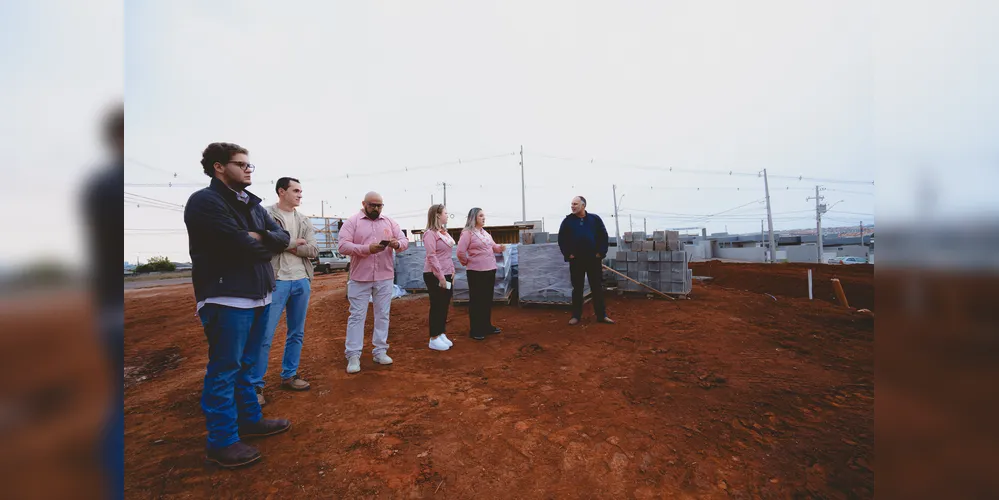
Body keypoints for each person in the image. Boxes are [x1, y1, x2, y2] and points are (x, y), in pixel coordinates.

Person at [184, 142, 292, 468]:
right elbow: (239, 245)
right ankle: (222, 441)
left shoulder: (253, 206)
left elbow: (282, 238)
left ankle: (250, 421)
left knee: (247, 366)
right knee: (225, 369)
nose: (248, 169)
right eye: (241, 164)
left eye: (249, 164)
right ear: (219, 166)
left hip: (258, 294)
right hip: (225, 296)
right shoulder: (205, 202)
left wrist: (256, 237)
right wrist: (260, 239)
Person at [250, 177, 319, 405]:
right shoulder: (266, 214)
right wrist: (292, 244)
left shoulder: (304, 220)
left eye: (301, 190)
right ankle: (255, 385)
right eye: (296, 190)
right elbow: (263, 243)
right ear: (282, 191)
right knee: (264, 335)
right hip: (276, 280)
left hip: (301, 281)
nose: (300, 194)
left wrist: (285, 245)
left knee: (296, 332)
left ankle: (290, 375)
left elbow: (313, 250)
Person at [337, 192, 409, 373]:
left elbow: (404, 241)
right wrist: (366, 249)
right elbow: (342, 246)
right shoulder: (352, 222)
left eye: (379, 205)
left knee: (383, 314)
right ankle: (353, 355)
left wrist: (396, 244)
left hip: (384, 276)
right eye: (373, 205)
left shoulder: (389, 222)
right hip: (360, 277)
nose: (376, 208)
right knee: (356, 316)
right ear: (364, 204)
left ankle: (380, 351)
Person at [558, 195, 614, 325]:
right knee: (577, 288)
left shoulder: (595, 219)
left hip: (593, 259)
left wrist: (601, 253)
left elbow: (603, 236)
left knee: (597, 287)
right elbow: (562, 239)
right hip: (576, 260)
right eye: (572, 204)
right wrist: (568, 254)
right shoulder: (567, 221)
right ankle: (576, 316)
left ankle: (602, 315)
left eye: (575, 204)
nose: (572, 206)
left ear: (583, 206)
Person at [456, 208, 506, 340]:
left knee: (487, 299)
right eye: (481, 216)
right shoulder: (467, 233)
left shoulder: (485, 233)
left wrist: (499, 248)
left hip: (490, 269)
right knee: (477, 300)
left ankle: (486, 326)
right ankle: (476, 329)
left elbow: (493, 246)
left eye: (484, 216)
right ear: (474, 218)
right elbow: (460, 252)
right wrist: (467, 262)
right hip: (476, 272)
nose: (484, 218)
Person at [423, 204, 456, 351]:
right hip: (434, 274)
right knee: (437, 305)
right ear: (437, 215)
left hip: (447, 272)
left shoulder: (444, 233)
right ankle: (433, 337)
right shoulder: (430, 234)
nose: (447, 216)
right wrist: (441, 277)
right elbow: (432, 256)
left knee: (444, 305)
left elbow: (448, 255)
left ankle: (441, 332)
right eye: (445, 213)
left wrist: (452, 271)